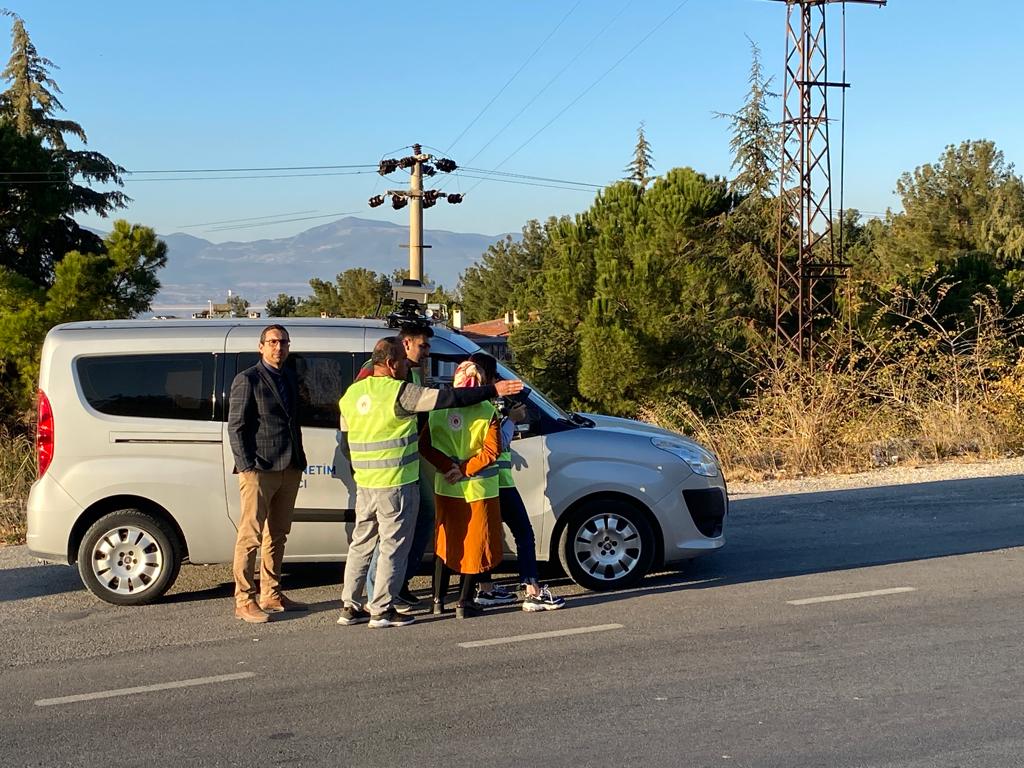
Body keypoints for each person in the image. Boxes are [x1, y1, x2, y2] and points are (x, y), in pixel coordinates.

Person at [337, 336, 524, 629]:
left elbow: (346, 443)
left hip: (365, 483)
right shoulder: (399, 392)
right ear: (391, 363)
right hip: (396, 481)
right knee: (392, 546)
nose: (408, 366)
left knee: (361, 543)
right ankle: (382, 610)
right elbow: (450, 398)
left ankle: (350, 605)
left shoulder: (351, 394)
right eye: (403, 361)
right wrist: (493, 390)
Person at [227, 324, 309, 624]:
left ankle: (271, 593)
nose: (279, 347)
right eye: (273, 342)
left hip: (290, 465)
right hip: (259, 468)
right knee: (249, 537)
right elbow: (236, 426)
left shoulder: (288, 376)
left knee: (278, 535)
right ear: (261, 346)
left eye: (284, 342)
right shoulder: (247, 379)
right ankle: (243, 600)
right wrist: (247, 466)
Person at [359, 324, 437, 611]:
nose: (427, 352)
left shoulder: (412, 371)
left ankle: (397, 583)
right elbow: (360, 409)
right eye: (423, 346)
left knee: (423, 516)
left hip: (408, 461)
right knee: (389, 532)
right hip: (385, 468)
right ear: (405, 344)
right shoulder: (377, 370)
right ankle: (376, 595)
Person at [419, 357, 504, 618]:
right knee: (474, 545)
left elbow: (425, 446)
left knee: (445, 544)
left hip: (446, 488)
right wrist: (465, 469)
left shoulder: (438, 410)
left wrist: (448, 467)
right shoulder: (488, 411)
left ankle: (437, 599)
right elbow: (492, 451)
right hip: (478, 489)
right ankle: (464, 602)